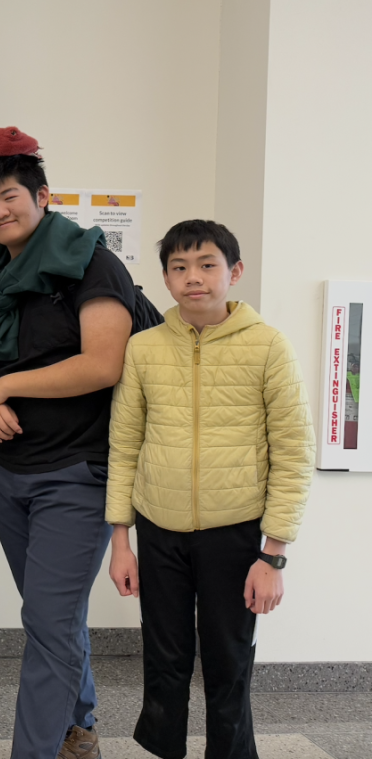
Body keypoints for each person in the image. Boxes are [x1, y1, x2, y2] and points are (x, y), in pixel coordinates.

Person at [106, 220, 314, 759]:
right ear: (167, 278)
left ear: (234, 272)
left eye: (206, 265)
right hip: (158, 529)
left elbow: (294, 453)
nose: (192, 277)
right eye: (179, 267)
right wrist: (121, 540)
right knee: (164, 661)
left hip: (236, 531)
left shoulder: (269, 345)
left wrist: (275, 555)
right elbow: (125, 444)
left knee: (228, 662)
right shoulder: (144, 348)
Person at [0, 127, 135, 759]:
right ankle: (79, 724)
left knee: (45, 621)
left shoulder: (90, 263)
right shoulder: (0, 273)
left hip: (76, 473)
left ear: (42, 195)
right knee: (52, 618)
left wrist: (0, 386)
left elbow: (103, 363)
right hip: (9, 472)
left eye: (9, 195)